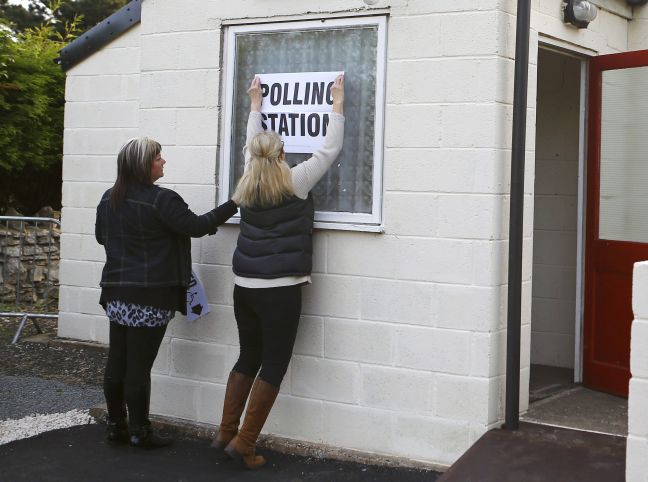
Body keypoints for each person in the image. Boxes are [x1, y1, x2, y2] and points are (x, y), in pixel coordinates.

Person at [211, 75, 345, 469]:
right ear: (282, 154)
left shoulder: (246, 183)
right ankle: (245, 443)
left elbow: (251, 146)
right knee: (274, 363)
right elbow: (329, 149)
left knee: (248, 355)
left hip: (244, 287)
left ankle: (225, 431)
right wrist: (336, 101)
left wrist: (256, 104)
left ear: (253, 156)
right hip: (281, 289)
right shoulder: (295, 180)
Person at [95, 137, 238, 448]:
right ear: (144, 165)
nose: (163, 162)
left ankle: (116, 426)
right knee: (138, 369)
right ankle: (140, 432)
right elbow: (197, 226)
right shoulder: (162, 200)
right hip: (149, 296)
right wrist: (235, 202)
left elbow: (100, 236)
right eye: (159, 158)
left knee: (117, 363)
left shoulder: (109, 198)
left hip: (116, 293)